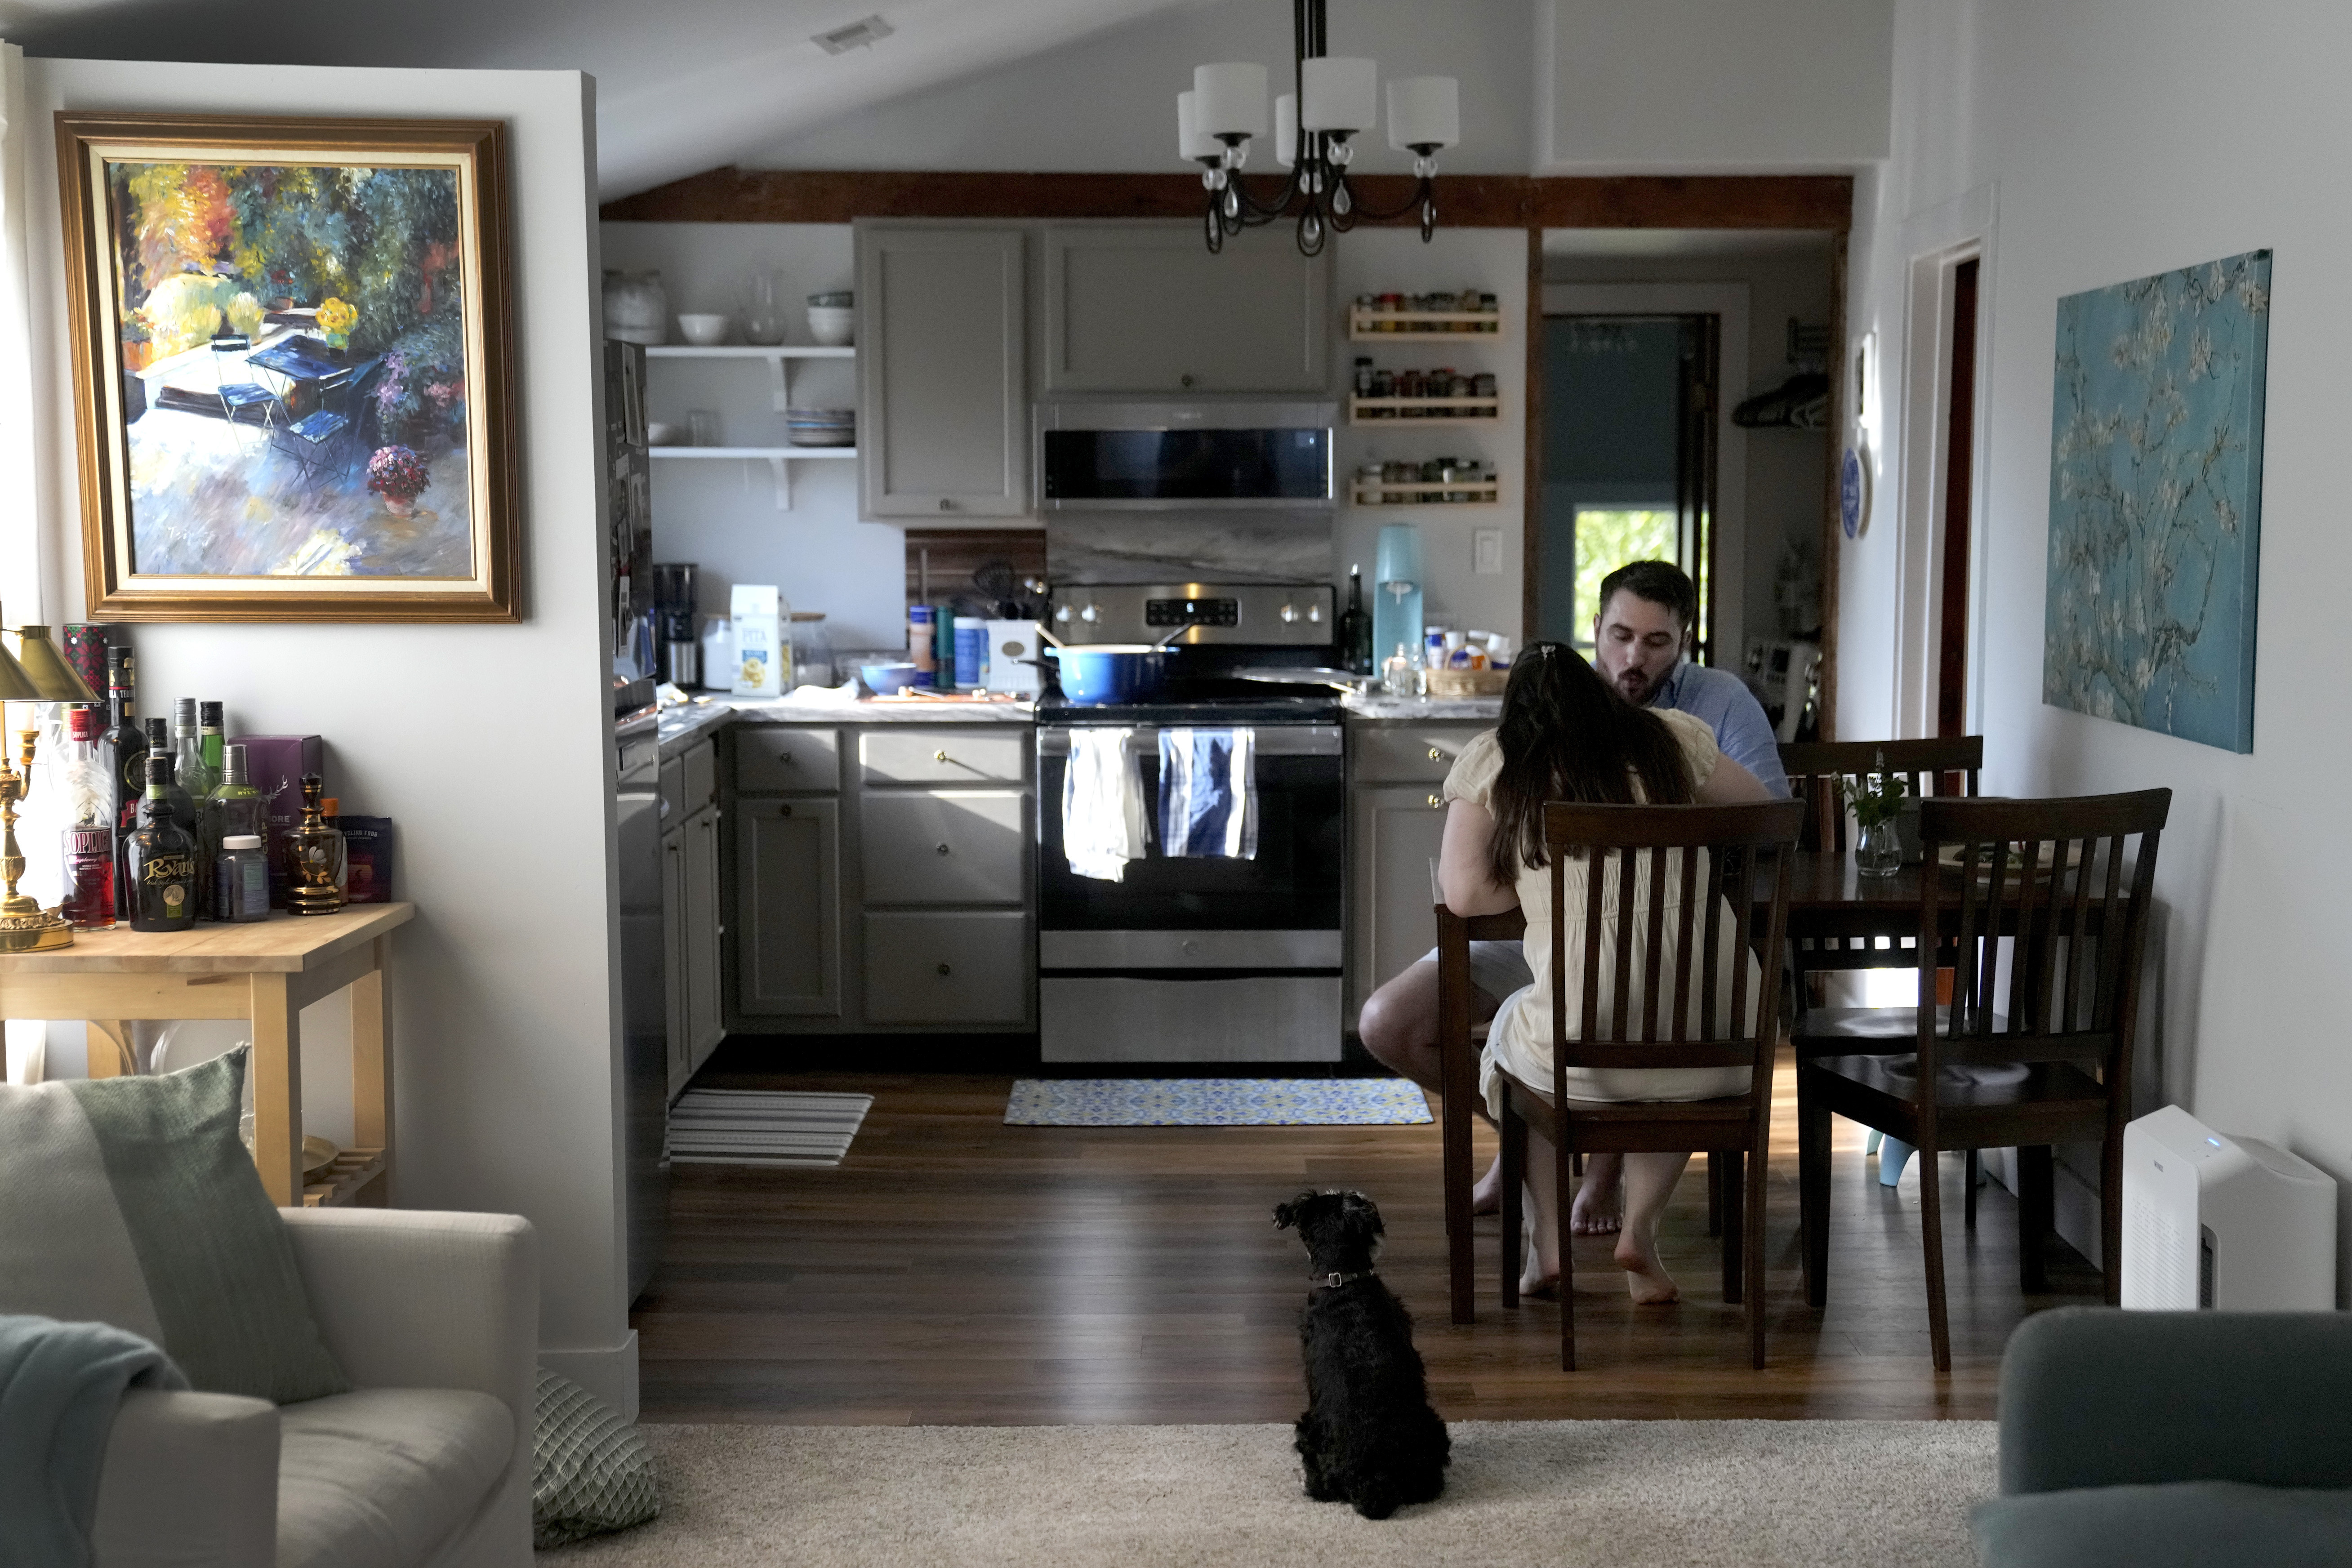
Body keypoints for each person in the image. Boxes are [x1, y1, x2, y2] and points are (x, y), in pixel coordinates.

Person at [1357, 561, 1789, 1233]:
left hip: (1657, 954)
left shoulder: (1707, 710)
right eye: (1621, 636)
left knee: (1617, 1010)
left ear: (1685, 641)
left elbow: (1767, 817)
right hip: (1550, 948)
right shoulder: (1552, 739)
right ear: (1595, 632)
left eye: (1656, 642)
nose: (1633, 657)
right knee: (1391, 1022)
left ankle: (1572, 1146)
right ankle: (1539, 1130)